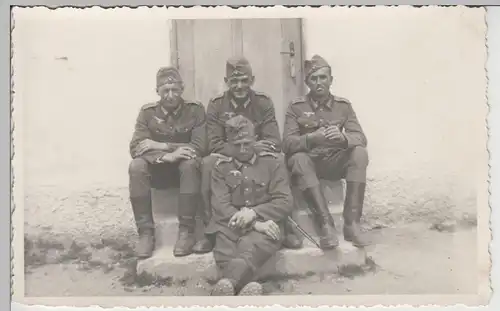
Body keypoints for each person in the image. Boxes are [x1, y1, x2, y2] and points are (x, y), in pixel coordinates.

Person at [200, 56, 303, 252]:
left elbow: (274, 141)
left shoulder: (263, 103)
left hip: (255, 156)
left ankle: (285, 225)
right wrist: (242, 149)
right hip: (228, 158)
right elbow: (213, 144)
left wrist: (251, 149)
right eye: (234, 81)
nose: (239, 86)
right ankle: (210, 230)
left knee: (279, 160)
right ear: (226, 81)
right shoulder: (216, 104)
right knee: (206, 164)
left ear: (252, 80)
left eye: (244, 80)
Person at [282, 55, 370, 249]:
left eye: (323, 77)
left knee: (360, 153)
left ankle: (352, 223)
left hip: (334, 162)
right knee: (297, 158)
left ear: (331, 80)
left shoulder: (343, 106)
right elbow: (287, 144)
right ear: (307, 82)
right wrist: (311, 138)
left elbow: (360, 137)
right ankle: (326, 225)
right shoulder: (296, 107)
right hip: (309, 165)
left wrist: (343, 138)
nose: (319, 83)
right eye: (313, 79)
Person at [207, 115, 294, 296]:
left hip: (267, 225)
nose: (243, 148)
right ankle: (246, 291)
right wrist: (254, 223)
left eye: (247, 142)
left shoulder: (272, 163)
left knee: (252, 246)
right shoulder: (221, 167)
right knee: (226, 252)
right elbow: (221, 206)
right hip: (231, 225)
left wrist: (255, 213)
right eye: (237, 145)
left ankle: (226, 290)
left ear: (255, 139)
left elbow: (284, 201)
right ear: (228, 144)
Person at [128, 66, 208, 258]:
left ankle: (186, 232)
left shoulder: (195, 111)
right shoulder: (147, 113)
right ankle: (146, 233)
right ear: (157, 91)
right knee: (136, 166)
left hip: (186, 174)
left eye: (175, 90)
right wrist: (167, 153)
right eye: (165, 91)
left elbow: (199, 146)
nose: (170, 95)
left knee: (189, 162)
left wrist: (159, 145)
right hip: (158, 172)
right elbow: (136, 148)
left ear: (182, 88)